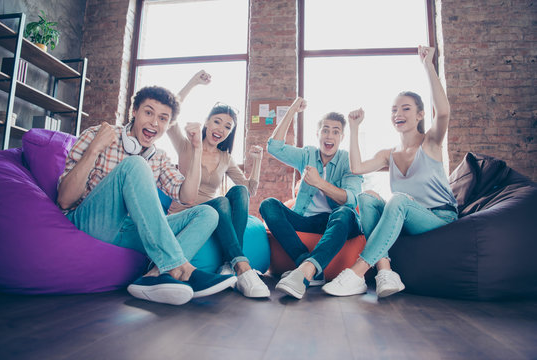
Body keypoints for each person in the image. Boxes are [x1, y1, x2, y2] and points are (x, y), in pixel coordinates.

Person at [57, 85, 237, 306]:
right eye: (148, 112)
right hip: (92, 222)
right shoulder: (98, 135)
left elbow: (188, 198)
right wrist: (94, 149)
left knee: (208, 213)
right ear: (134, 111)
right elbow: (65, 200)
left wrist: (197, 148)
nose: (154, 123)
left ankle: (152, 278)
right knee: (135, 164)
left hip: (133, 231)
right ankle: (181, 269)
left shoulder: (159, 158)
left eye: (163, 118)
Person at [322, 45, 458, 298]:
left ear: (420, 115)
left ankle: (356, 273)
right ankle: (385, 272)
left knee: (398, 200)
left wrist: (428, 65)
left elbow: (444, 112)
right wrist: (353, 127)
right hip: (409, 218)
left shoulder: (430, 142)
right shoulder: (389, 153)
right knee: (366, 197)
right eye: (394, 110)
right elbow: (357, 168)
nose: (398, 113)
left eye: (405, 108)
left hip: (440, 218)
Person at [166, 70, 270, 298]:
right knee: (221, 201)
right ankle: (242, 266)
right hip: (186, 212)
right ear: (207, 122)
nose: (220, 129)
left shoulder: (226, 158)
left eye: (227, 126)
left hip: (215, 214)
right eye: (217, 122)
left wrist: (258, 161)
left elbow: (250, 189)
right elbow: (171, 113)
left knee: (239, 190)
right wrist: (193, 82)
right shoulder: (187, 145)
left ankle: (229, 263)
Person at [259, 97, 363, 300]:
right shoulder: (308, 154)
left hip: (335, 222)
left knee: (344, 212)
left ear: (341, 136)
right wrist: (291, 111)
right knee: (268, 205)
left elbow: (351, 200)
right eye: (325, 130)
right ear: (318, 134)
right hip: (305, 219)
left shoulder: (347, 160)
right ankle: (307, 263)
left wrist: (320, 183)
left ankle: (307, 270)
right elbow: (274, 147)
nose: (329, 135)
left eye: (335, 131)